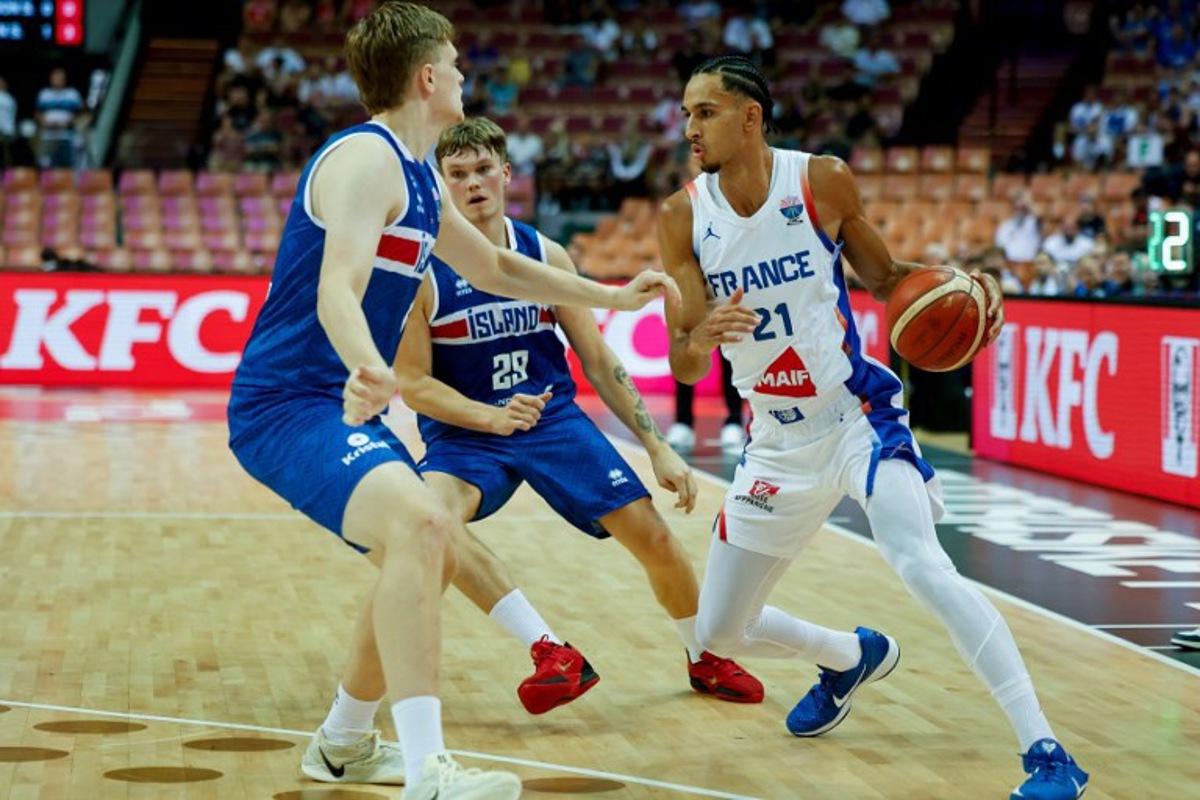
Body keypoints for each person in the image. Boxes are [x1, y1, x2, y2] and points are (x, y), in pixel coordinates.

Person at [226, 4, 677, 797]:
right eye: (458, 64)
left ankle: (342, 743)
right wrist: (370, 369)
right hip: (288, 402)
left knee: (421, 547)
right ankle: (430, 770)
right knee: (426, 523)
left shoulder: (420, 178)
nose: (466, 76)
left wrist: (612, 296)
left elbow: (503, 271)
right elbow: (338, 289)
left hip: (335, 400)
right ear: (428, 77)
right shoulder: (365, 158)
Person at [657, 55, 1088, 800]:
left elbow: (889, 281)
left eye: (705, 112)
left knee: (922, 563)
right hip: (774, 442)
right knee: (720, 634)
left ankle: (1046, 751)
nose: (688, 127)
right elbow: (687, 365)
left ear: (750, 117)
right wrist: (702, 338)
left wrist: (962, 288)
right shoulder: (682, 215)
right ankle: (847, 656)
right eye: (687, 113)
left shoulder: (819, 180)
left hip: (856, 417)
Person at [393, 116, 763, 715]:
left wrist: (659, 445)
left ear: (507, 173)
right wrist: (487, 417)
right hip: (467, 433)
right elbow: (412, 385)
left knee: (656, 538)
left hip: (551, 422)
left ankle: (704, 655)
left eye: (484, 169)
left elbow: (597, 358)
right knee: (429, 523)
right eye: (457, 174)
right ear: (442, 184)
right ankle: (548, 649)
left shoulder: (546, 254)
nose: (473, 184)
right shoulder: (424, 272)